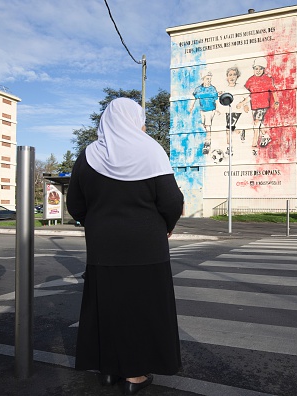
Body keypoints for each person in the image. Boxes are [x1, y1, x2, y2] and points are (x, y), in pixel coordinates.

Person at [67, 98, 184, 395]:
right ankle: (134, 375)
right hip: (146, 246)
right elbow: (171, 201)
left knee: (106, 306)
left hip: (102, 246)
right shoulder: (150, 150)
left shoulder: (89, 155)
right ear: (134, 120)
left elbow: (75, 205)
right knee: (142, 309)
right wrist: (167, 226)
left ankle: (108, 370)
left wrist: (94, 223)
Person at [244, 57, 279, 149]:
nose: (258, 71)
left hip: (263, 105)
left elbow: (273, 90)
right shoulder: (250, 80)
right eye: (256, 68)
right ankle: (266, 136)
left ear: (263, 69)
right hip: (253, 105)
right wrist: (245, 104)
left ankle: (254, 142)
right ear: (253, 69)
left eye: (260, 68)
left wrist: (276, 101)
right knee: (259, 123)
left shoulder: (267, 79)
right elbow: (246, 93)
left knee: (256, 122)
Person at [191, 70, 220, 154]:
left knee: (207, 126)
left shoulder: (212, 89)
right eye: (207, 79)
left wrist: (217, 108)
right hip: (202, 110)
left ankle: (207, 142)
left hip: (210, 109)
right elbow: (194, 98)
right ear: (203, 79)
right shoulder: (199, 89)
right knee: (204, 125)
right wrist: (191, 107)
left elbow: (216, 99)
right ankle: (208, 137)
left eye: (210, 79)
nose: (209, 80)